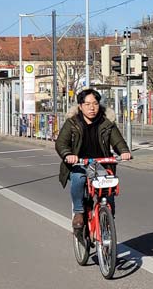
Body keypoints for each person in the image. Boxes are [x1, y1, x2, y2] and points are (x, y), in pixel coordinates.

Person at [55, 89, 131, 230]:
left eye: (95, 104)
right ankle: (78, 211)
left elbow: (118, 141)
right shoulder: (72, 123)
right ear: (80, 106)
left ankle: (107, 217)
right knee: (78, 179)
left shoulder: (107, 123)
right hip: (79, 164)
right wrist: (68, 154)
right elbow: (61, 143)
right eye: (87, 104)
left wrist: (124, 151)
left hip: (101, 164)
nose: (92, 108)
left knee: (108, 190)